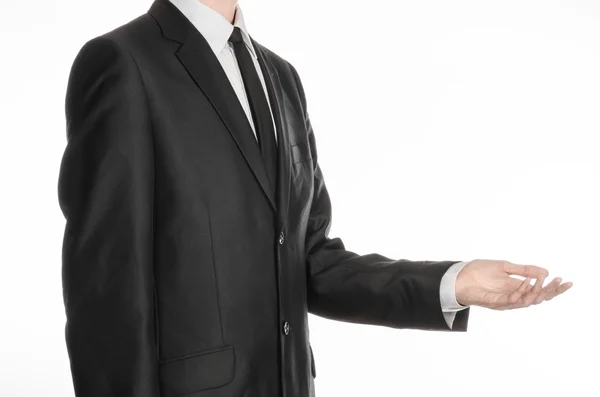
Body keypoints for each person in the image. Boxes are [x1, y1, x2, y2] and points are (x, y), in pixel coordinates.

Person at [57, 0, 573, 396]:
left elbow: (313, 264)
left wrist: (451, 283)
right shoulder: (123, 62)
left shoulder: (280, 77)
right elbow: (106, 294)